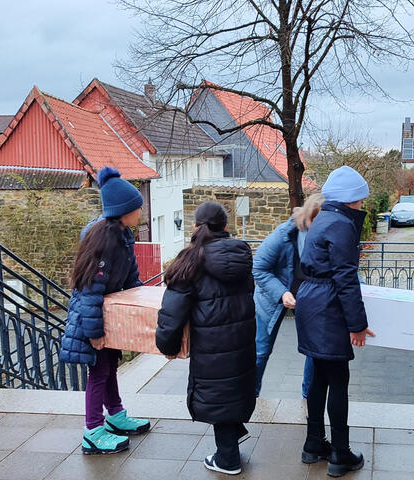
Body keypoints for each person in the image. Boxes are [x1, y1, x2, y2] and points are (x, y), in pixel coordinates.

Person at [156, 202, 256, 476]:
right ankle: (233, 440)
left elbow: (172, 311)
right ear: (225, 226)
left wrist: (167, 344)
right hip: (242, 340)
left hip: (212, 345)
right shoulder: (242, 255)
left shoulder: (190, 261)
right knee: (232, 389)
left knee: (218, 393)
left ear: (196, 227)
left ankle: (227, 459)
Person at [60, 167, 152, 455]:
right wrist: (95, 333)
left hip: (111, 315)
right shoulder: (104, 240)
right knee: (99, 373)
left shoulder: (123, 236)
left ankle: (115, 414)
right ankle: (93, 431)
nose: (141, 210)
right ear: (124, 210)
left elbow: (131, 280)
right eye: (137, 206)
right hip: (94, 317)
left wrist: (139, 305)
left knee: (111, 367)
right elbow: (89, 291)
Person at [294, 166, 375, 478]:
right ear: (351, 200)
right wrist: (357, 324)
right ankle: (341, 454)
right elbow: (345, 278)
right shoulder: (341, 224)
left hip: (312, 304)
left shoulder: (324, 218)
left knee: (318, 378)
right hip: (327, 310)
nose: (361, 205)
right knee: (338, 381)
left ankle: (313, 444)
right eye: (359, 199)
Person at [252, 194, 324, 399]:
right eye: (315, 222)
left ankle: (309, 400)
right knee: (260, 351)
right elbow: (259, 268)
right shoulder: (284, 234)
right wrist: (282, 293)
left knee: (315, 353)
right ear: (307, 217)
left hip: (311, 299)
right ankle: (250, 397)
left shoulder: (328, 236)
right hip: (271, 298)